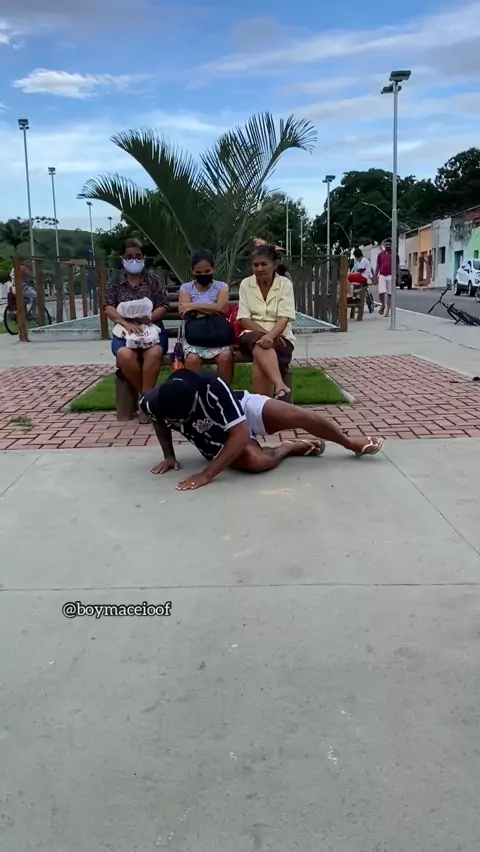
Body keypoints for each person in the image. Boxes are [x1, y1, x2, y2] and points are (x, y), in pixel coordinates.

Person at [139, 370, 384, 491]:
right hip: (212, 437)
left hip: (239, 410)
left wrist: (207, 475)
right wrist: (169, 456)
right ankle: (287, 448)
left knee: (298, 415)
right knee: (256, 462)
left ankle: (349, 442)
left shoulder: (211, 385)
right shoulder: (152, 403)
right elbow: (158, 421)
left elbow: (241, 432)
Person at [103, 239, 169, 423]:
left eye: (138, 256)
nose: (134, 260)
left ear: (144, 258)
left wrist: (150, 318)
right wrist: (124, 322)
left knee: (154, 353)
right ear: (122, 258)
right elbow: (108, 307)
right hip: (125, 331)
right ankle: (146, 399)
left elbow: (164, 305)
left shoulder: (153, 280)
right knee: (124, 355)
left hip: (151, 329)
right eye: (129, 256)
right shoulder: (115, 282)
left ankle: (145, 403)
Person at [238, 244, 295, 403]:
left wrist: (272, 336)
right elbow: (244, 319)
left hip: (281, 337)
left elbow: (284, 318)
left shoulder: (285, 284)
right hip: (251, 335)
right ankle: (280, 385)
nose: (259, 268)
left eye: (264, 264)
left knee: (260, 355)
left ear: (275, 265)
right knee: (259, 342)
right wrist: (268, 335)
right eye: (255, 265)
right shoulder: (245, 284)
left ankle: (263, 408)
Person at [178, 248, 234, 384]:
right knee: (192, 359)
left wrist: (193, 306)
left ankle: (224, 392)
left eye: (207, 271)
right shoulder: (185, 288)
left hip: (217, 334)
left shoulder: (221, 286)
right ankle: (195, 394)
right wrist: (213, 308)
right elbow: (184, 311)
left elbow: (222, 309)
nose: (203, 275)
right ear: (192, 271)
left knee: (225, 357)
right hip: (194, 335)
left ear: (213, 269)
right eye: (198, 273)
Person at [375, 239, 399, 318]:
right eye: (386, 244)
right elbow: (378, 266)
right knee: (381, 292)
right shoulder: (380, 255)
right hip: (382, 275)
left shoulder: (395, 255)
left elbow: (397, 266)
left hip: (391, 275)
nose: (387, 246)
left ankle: (388, 310)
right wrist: (375, 276)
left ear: (391, 245)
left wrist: (398, 276)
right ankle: (383, 304)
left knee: (389, 294)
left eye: (389, 244)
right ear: (384, 245)